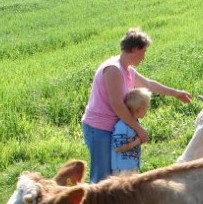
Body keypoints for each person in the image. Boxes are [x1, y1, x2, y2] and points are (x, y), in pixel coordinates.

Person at [81, 27, 192, 183]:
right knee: (101, 179)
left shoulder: (127, 70)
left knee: (115, 176)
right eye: (144, 52)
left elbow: (148, 84)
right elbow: (117, 106)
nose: (144, 57)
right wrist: (139, 129)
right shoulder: (113, 69)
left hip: (112, 128)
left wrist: (176, 93)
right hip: (99, 129)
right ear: (134, 49)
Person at [111, 88, 151, 176]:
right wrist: (136, 142)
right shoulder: (122, 126)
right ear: (140, 109)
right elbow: (118, 148)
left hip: (131, 166)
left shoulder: (135, 123)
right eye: (147, 107)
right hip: (122, 168)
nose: (148, 109)